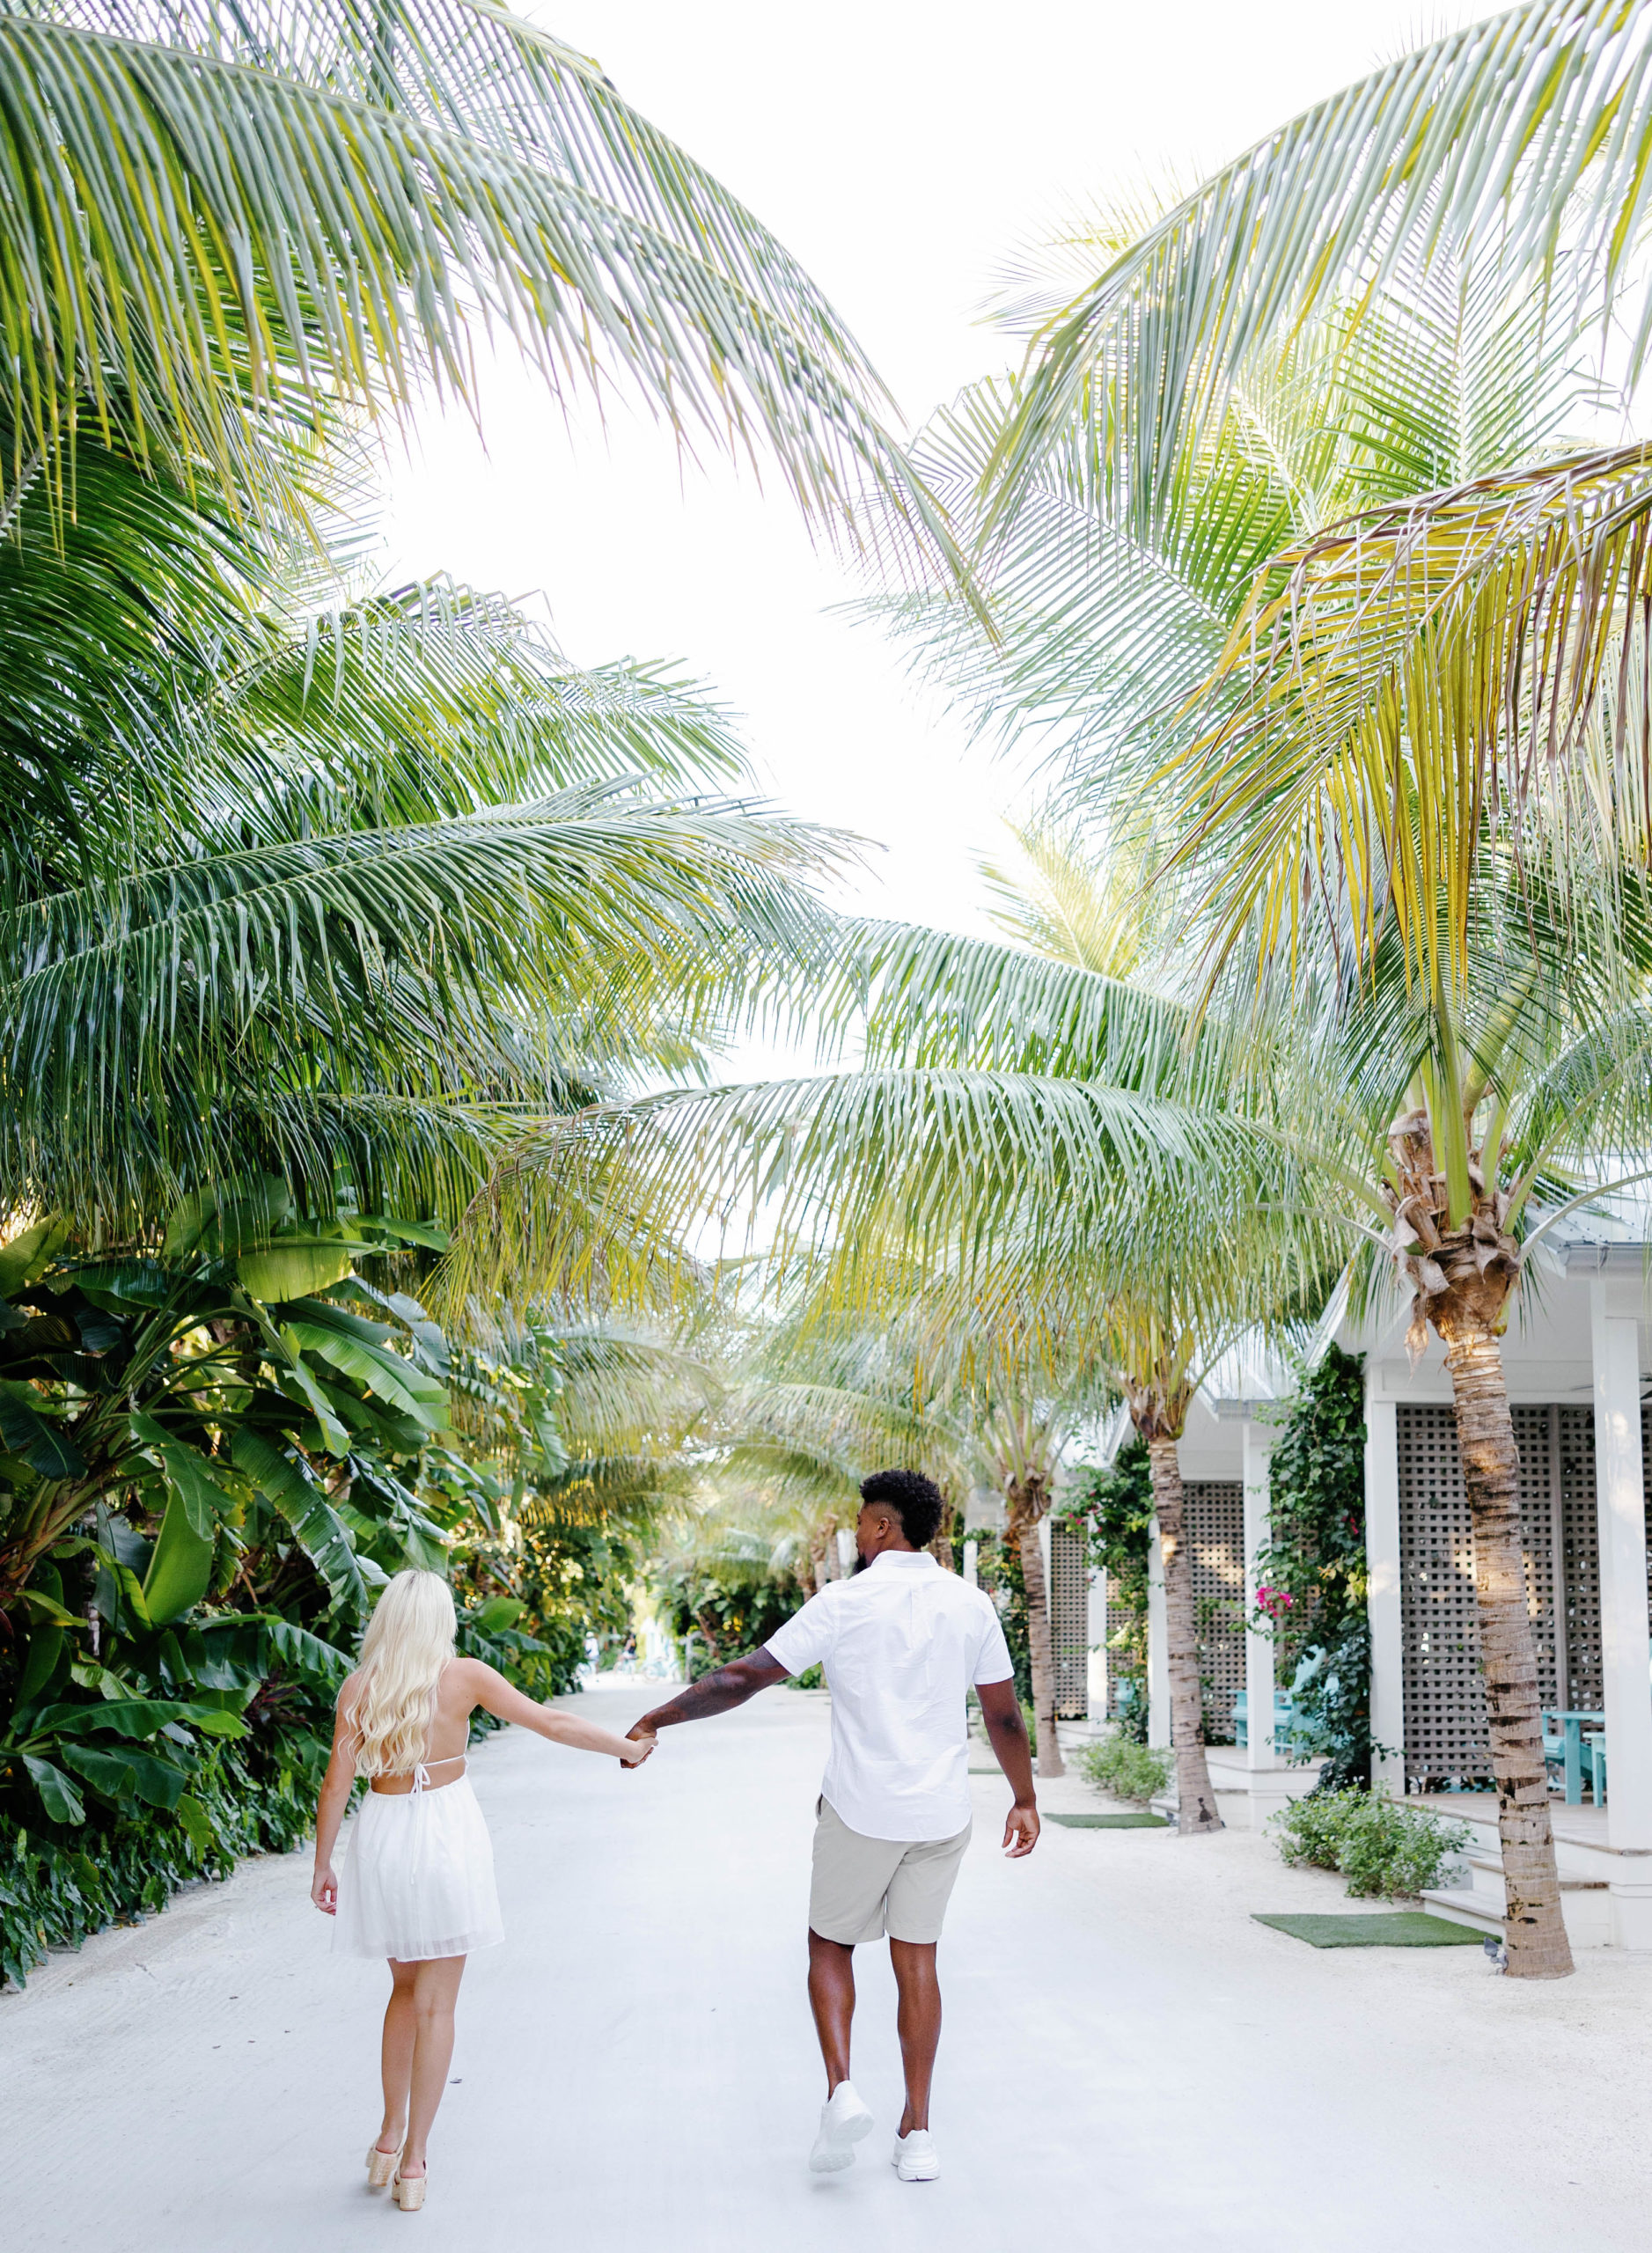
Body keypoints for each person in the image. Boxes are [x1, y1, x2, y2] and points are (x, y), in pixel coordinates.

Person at [628, 1468, 1039, 2183]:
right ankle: (918, 2133)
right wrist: (1023, 1798)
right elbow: (1002, 1715)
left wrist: (657, 1717)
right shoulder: (970, 1605)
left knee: (829, 1943)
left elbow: (744, 1678)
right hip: (940, 1813)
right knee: (918, 1960)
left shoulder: (845, 1602)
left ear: (883, 1527)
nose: (854, 1533)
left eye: (860, 1522)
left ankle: (841, 2089)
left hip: (860, 1808)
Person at [312, 1569, 656, 2210]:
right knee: (437, 2006)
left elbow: (337, 1784)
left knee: (404, 1989)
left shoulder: (360, 1687)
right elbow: (549, 1722)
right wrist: (625, 1748)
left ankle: (386, 2141)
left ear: (387, 1619)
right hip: (444, 1834)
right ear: (438, 1620)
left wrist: (322, 1865)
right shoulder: (463, 1676)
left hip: (382, 1835)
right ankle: (414, 2166)